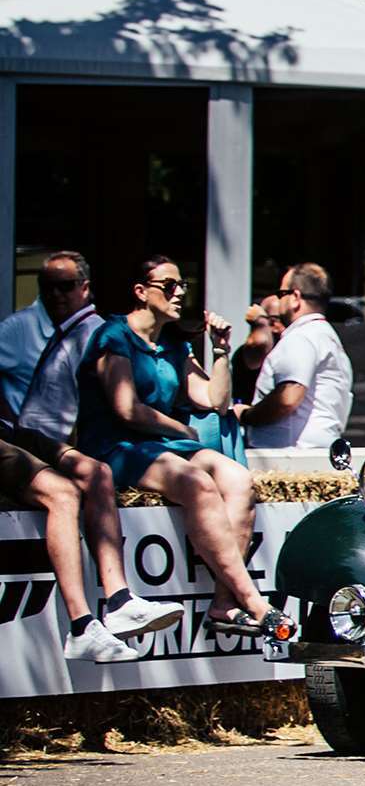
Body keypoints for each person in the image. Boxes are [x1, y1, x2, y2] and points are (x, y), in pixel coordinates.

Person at [77, 257, 282, 638]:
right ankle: (253, 600)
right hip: (117, 445)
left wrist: (220, 352)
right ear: (141, 292)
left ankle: (223, 603)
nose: (180, 293)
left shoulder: (173, 344)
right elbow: (126, 409)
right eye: (170, 286)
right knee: (197, 483)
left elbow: (215, 401)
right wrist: (182, 429)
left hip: (161, 445)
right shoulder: (114, 336)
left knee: (239, 480)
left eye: (182, 285)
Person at [0, 252, 181, 661]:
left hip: (29, 435)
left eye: (64, 286)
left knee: (96, 474)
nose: (55, 295)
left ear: (85, 288)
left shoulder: (93, 332)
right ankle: (83, 625)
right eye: (47, 287)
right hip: (23, 435)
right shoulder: (33, 330)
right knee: (65, 492)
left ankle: (118, 600)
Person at [241, 263, 352, 450]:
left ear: (295, 298)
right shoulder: (326, 337)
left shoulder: (301, 337)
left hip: (290, 454)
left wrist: (246, 415)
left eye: (281, 294)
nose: (279, 300)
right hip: (314, 450)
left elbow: (288, 398)